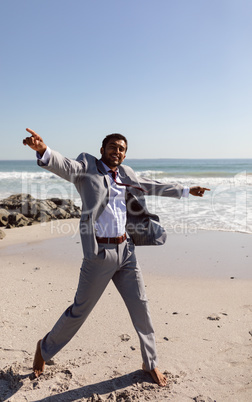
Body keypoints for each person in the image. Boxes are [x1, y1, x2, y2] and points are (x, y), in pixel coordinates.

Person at [23, 128, 210, 386]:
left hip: (126, 252)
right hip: (99, 254)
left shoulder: (126, 174)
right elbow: (65, 166)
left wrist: (187, 190)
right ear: (102, 149)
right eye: (113, 146)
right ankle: (44, 349)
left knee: (141, 307)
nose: (117, 151)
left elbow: (151, 185)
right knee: (79, 312)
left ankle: (150, 363)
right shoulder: (87, 167)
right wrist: (44, 151)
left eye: (122, 148)